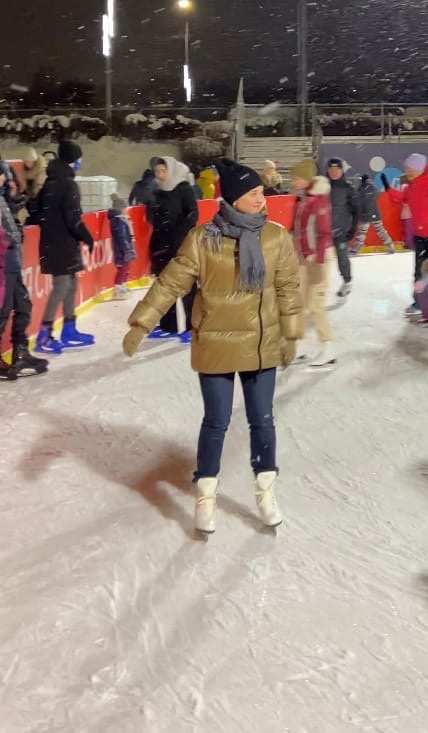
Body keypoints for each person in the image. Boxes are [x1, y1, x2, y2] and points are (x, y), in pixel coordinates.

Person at [122, 159, 303, 534]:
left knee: (262, 420)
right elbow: (171, 282)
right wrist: (142, 323)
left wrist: (291, 334)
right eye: (253, 193)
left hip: (260, 343)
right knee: (216, 422)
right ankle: (206, 496)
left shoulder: (275, 237)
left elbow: (287, 289)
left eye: (260, 192)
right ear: (234, 198)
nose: (261, 199)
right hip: (217, 343)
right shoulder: (203, 239)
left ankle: (266, 491)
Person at [31, 140, 95, 353]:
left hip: (55, 242)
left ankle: (69, 328)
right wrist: (87, 237)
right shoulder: (68, 184)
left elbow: (35, 211)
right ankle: (44, 334)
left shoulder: (51, 181)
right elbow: (73, 218)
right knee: (61, 285)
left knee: (71, 282)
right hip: (62, 243)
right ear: (73, 161)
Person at [381, 154, 428, 316]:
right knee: (419, 271)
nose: (408, 172)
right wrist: (388, 189)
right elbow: (400, 199)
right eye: (407, 169)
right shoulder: (410, 187)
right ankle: (420, 302)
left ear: (419, 169)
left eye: (411, 169)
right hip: (419, 234)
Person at [290, 158, 337, 369]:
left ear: (307, 179)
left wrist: (316, 259)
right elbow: (297, 229)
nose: (294, 181)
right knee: (300, 303)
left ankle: (328, 349)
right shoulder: (303, 199)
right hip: (303, 258)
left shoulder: (318, 200)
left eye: (297, 178)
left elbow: (324, 232)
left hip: (318, 258)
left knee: (316, 305)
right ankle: (298, 348)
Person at [0, 177, 48, 379]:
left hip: (12, 262)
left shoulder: (2, 197)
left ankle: (20, 352)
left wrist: (16, 231)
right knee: (3, 311)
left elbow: (10, 218)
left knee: (23, 306)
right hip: (4, 263)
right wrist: (10, 238)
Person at [147, 156, 199, 339]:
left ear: (172, 170)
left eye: (163, 171)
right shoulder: (158, 191)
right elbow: (155, 219)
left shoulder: (183, 188)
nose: (160, 175)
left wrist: (180, 237)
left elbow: (193, 214)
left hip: (181, 244)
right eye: (157, 172)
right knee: (164, 286)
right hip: (162, 244)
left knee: (186, 285)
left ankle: (191, 326)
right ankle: (168, 324)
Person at [326, 158, 359, 298]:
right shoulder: (322, 187)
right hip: (322, 232)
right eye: (331, 169)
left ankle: (347, 281)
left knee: (342, 257)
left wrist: (352, 229)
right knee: (317, 260)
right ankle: (316, 286)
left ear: (341, 171)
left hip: (340, 232)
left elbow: (356, 210)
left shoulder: (347, 188)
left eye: (337, 169)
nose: (334, 172)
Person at [351, 174, 394, 255]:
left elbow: (358, 198)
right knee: (380, 230)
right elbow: (378, 195)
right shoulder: (373, 187)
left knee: (362, 232)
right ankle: (390, 246)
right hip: (375, 213)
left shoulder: (362, 187)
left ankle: (356, 248)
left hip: (366, 214)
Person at [108, 194, 136, 301]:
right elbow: (121, 236)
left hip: (125, 248)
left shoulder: (122, 219)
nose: (127, 210)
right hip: (122, 250)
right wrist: (126, 248)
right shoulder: (118, 221)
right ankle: (117, 289)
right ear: (121, 209)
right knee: (123, 269)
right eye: (125, 208)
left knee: (126, 268)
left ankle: (122, 286)